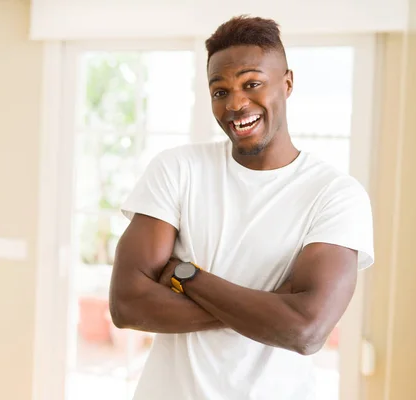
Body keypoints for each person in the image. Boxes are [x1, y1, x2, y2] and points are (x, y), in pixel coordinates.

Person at [108, 15, 374, 400]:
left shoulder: (336, 195)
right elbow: (127, 304)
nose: (235, 104)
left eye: (252, 84)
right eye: (220, 91)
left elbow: (305, 330)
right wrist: (274, 308)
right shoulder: (177, 169)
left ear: (287, 84)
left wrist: (187, 277)